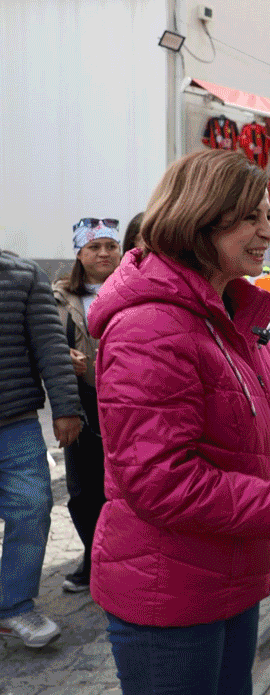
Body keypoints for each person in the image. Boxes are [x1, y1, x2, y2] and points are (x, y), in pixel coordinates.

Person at [88, 149, 270, 695]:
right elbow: (162, 482)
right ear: (200, 220)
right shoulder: (149, 328)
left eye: (268, 216)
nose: (269, 232)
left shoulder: (230, 314)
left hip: (227, 581)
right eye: (250, 218)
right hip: (169, 595)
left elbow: (255, 445)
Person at [0, 251, 82, 649]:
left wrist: (66, 407)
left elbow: (50, 344)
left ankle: (14, 606)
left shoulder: (22, 275)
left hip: (15, 422)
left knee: (32, 508)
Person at [52, 217, 123, 594]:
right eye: (94, 247)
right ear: (79, 253)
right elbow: (43, 344)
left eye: (111, 246)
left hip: (130, 402)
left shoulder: (134, 289)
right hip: (83, 400)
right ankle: (93, 557)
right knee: (83, 489)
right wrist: (64, 356)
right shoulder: (59, 298)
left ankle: (124, 557)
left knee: (125, 484)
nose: (104, 253)